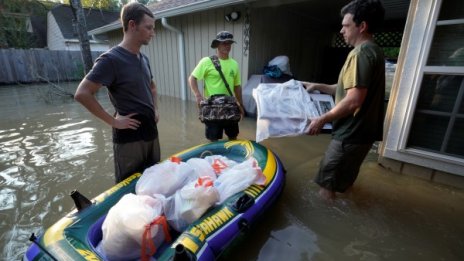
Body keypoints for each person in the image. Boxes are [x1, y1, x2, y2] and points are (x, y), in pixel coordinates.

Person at [302, 0, 385, 201]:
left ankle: (324, 227)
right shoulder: (375, 50)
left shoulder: (360, 54)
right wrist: (318, 86)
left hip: (349, 135)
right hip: (362, 135)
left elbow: (353, 101)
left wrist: (322, 119)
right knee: (342, 182)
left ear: (362, 26)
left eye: (346, 25)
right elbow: (347, 91)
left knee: (326, 185)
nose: (341, 31)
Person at [74, 2, 160, 183]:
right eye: (149, 28)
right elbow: (82, 93)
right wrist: (113, 121)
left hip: (150, 131)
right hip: (129, 138)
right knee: (128, 188)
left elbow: (152, 86)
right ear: (132, 25)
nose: (153, 33)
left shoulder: (143, 58)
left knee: (153, 181)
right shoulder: (111, 60)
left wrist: (155, 109)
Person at [188, 31, 244, 142]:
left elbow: (237, 86)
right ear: (217, 45)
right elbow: (192, 78)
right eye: (224, 43)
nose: (227, 46)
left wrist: (240, 104)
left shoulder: (234, 64)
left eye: (229, 43)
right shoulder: (206, 62)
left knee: (233, 137)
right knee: (213, 139)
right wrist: (198, 96)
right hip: (212, 109)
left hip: (229, 108)